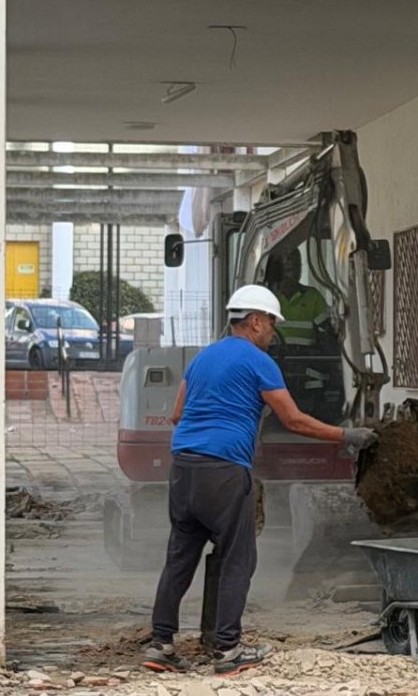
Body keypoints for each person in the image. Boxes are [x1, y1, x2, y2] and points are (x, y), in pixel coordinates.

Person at [142, 285, 377, 676]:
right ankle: (228, 650)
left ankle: (161, 645)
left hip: (183, 468)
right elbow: (295, 420)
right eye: (271, 324)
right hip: (224, 471)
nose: (273, 332)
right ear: (254, 321)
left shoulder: (202, 359)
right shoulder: (259, 361)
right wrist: (346, 436)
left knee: (180, 558)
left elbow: (178, 415)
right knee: (238, 557)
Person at [264, 250, 330, 348]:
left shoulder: (313, 296)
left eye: (296, 267)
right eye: (288, 269)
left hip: (308, 359)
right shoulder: (266, 298)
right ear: (278, 271)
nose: (292, 274)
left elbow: (328, 333)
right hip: (274, 358)